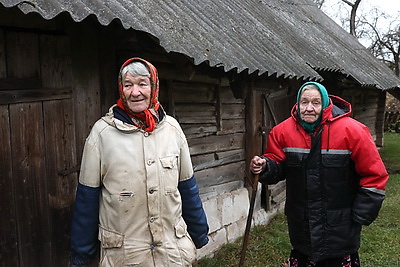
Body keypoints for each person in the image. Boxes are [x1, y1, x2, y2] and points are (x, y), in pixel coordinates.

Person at [70, 57, 209, 266]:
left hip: (171, 254)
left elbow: (187, 187)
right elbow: (86, 200)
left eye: (142, 83)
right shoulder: (102, 134)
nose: (135, 92)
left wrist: (199, 232)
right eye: (128, 85)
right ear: (121, 89)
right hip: (126, 256)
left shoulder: (172, 130)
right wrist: (82, 254)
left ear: (153, 86)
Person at [250, 82, 388, 267]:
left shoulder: (353, 131)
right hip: (302, 225)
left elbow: (374, 175)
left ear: (325, 104)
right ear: (297, 104)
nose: (309, 108)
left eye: (315, 103)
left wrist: (360, 215)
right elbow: (277, 163)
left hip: (339, 226)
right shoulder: (282, 131)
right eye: (304, 102)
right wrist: (265, 165)